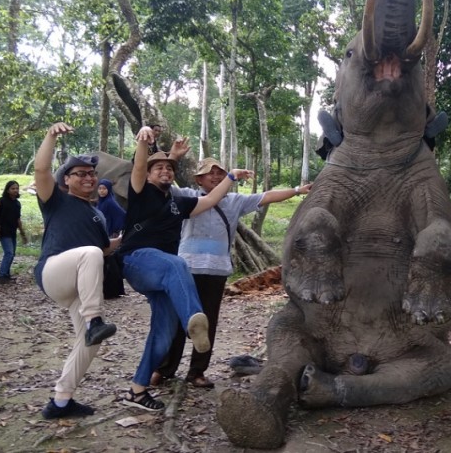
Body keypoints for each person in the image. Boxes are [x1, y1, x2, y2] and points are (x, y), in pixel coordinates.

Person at [118, 126, 253, 412]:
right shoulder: (141, 191)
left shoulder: (179, 203)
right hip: (137, 261)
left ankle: (138, 390)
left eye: (169, 168)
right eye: (159, 169)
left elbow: (212, 200)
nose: (164, 171)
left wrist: (230, 177)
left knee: (163, 333)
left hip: (164, 275)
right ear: (150, 174)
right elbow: (140, 166)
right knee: (178, 262)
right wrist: (144, 139)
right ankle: (195, 319)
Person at [151, 157, 312, 388]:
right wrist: (167, 157)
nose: (216, 177)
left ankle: (197, 371)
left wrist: (297, 190)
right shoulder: (186, 196)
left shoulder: (235, 201)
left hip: (216, 271)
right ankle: (165, 369)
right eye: (210, 174)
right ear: (199, 179)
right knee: (178, 320)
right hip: (186, 268)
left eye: (220, 173)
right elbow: (161, 188)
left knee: (208, 321)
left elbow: (266, 197)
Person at [33, 122, 119, 419]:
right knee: (91, 253)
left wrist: (121, 242)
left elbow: (103, 250)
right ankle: (94, 318)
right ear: (66, 179)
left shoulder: (97, 214)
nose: (89, 177)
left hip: (77, 287)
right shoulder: (55, 201)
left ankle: (61, 401)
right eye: (80, 173)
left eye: (92, 173)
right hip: (53, 271)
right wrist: (50, 136)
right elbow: (42, 171)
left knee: (91, 343)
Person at [0, 180, 28, 284]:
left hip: (12, 231)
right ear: (7, 190)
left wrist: (22, 233)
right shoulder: (1, 201)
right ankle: (2, 276)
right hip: (3, 231)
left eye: (17, 188)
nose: (15, 190)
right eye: (13, 188)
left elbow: (18, 219)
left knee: (12, 254)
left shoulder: (17, 204)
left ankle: (6, 275)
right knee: (9, 253)